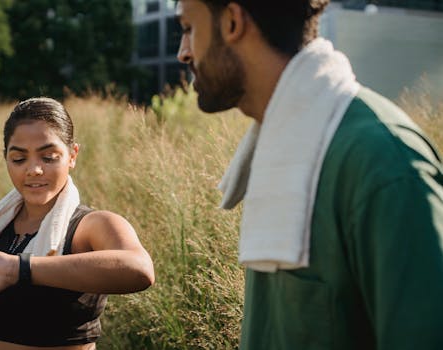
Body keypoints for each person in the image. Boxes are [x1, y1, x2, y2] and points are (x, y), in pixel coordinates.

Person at [175, 1, 443, 349]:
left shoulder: (384, 163)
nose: (183, 53)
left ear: (231, 22)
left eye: (188, 28)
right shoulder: (281, 146)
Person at [0, 97, 155, 349]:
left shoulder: (90, 226)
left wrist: (18, 269)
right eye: (19, 159)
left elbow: (140, 270)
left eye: (48, 157)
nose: (33, 169)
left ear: (72, 155)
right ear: (6, 159)